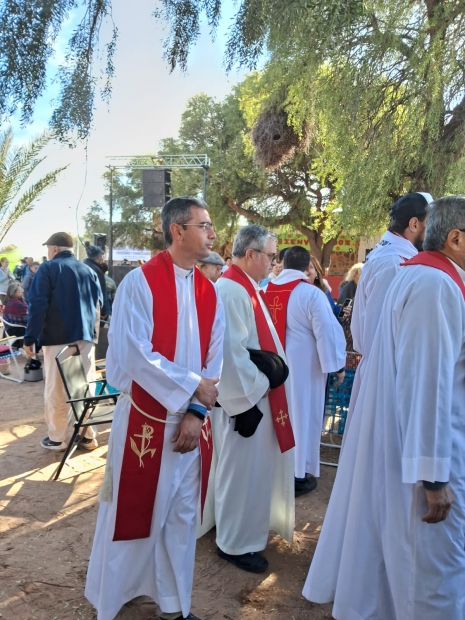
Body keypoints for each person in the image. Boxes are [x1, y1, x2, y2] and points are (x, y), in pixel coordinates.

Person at [303, 195, 465, 619]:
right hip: (431, 452)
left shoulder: (428, 276)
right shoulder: (433, 284)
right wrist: (433, 475)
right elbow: (426, 382)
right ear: (455, 239)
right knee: (431, 576)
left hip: (421, 436)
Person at [85, 196, 225, 620]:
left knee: (181, 520)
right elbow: (132, 355)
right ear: (177, 231)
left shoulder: (209, 291)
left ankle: (174, 606)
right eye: (204, 225)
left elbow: (215, 360)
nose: (212, 233)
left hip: (189, 425)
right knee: (131, 518)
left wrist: (195, 412)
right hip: (145, 424)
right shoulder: (139, 284)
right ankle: (111, 602)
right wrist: (191, 388)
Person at [202, 224, 295, 574]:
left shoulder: (246, 287)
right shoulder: (231, 291)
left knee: (248, 474)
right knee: (240, 474)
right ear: (252, 253)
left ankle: (243, 531)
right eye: (271, 256)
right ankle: (235, 544)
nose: (274, 262)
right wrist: (255, 390)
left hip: (253, 398)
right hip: (244, 403)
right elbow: (229, 355)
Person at [346, 191, 433, 431]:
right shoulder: (393, 263)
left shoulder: (393, 257)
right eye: (431, 223)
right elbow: (380, 333)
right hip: (384, 378)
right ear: (414, 224)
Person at [265, 246, 346, 496]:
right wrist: (336, 366)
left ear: (282, 262)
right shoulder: (311, 294)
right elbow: (327, 333)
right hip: (304, 371)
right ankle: (296, 476)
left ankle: (275, 472)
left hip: (272, 368)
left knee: (277, 417)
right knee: (300, 418)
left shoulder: (266, 291)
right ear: (305, 267)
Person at [23, 232, 103, 451]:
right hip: (86, 337)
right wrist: (93, 335)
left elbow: (37, 304)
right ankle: (88, 435)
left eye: (49, 248)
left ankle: (57, 438)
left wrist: (30, 337)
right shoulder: (89, 270)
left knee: (56, 388)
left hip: (58, 338)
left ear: (55, 249)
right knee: (84, 387)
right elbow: (99, 304)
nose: (48, 252)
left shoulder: (48, 269)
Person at [84, 242, 109, 319]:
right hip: (95, 308)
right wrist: (104, 311)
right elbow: (102, 290)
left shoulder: (83, 266)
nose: (102, 258)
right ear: (98, 257)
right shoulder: (97, 270)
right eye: (101, 256)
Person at [2, 281, 28, 348]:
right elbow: (28, 319)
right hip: (16, 330)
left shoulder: (8, 301)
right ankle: (34, 352)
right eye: (20, 290)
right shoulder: (17, 304)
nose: (22, 291)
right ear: (14, 292)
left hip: (9, 330)